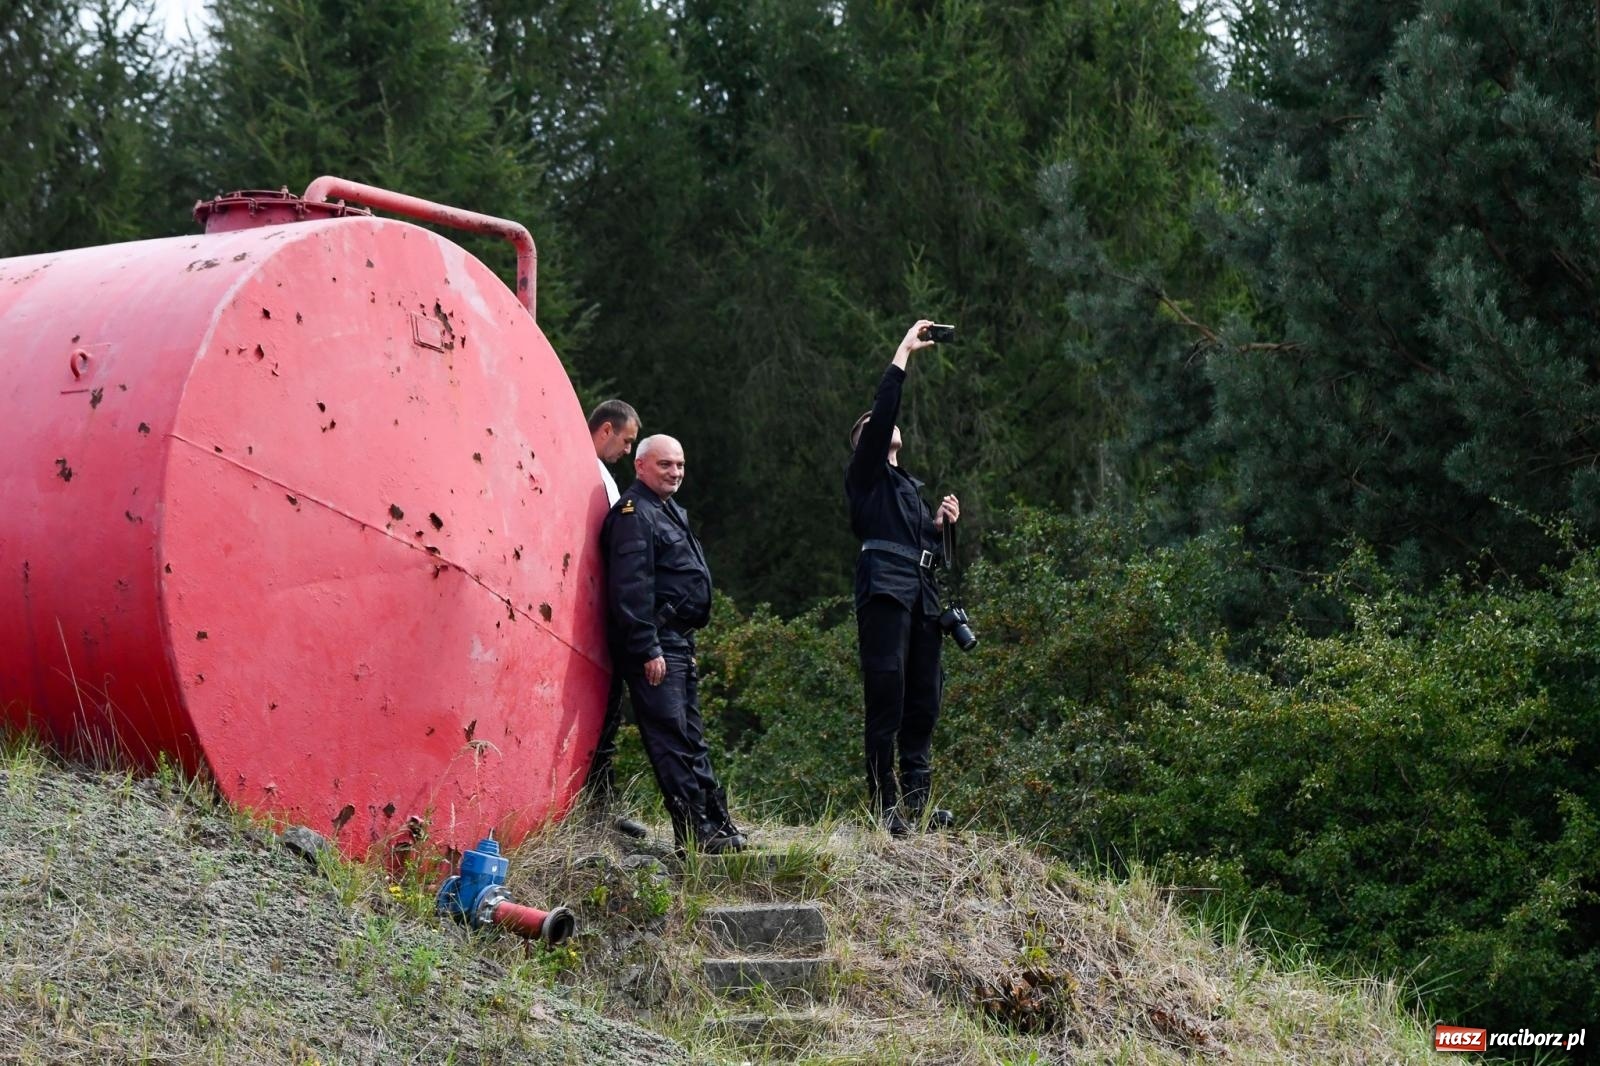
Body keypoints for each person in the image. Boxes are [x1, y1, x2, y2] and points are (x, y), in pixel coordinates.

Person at [601, 434, 747, 854]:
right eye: (666, 465)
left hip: (678, 641)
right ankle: (694, 831)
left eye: (680, 465)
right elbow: (631, 587)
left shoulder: (667, 511)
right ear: (641, 466)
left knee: (692, 737)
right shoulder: (634, 513)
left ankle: (717, 824)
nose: (675, 473)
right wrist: (648, 647)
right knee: (670, 739)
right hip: (655, 644)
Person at [846, 319, 960, 837]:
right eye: (871, 425)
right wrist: (903, 354)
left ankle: (917, 806)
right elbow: (885, 409)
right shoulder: (866, 476)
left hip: (921, 599)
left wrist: (939, 528)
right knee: (887, 697)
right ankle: (884, 805)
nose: (882, 425)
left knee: (923, 702)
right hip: (885, 592)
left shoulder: (909, 490)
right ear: (863, 443)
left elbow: (935, 556)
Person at [583, 398, 647, 838]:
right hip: (589, 616)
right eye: (625, 441)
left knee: (606, 718)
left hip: (601, 617)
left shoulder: (603, 480)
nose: (627, 451)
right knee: (597, 718)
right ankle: (592, 812)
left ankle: (600, 809)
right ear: (606, 430)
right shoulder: (585, 474)